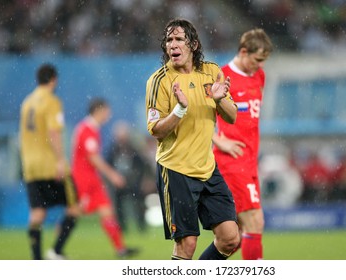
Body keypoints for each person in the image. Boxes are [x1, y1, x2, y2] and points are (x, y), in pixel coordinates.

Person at [145, 18, 240, 260]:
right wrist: (179, 110)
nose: (172, 45)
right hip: (176, 170)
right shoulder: (159, 81)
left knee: (230, 239)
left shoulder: (212, 72)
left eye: (178, 39)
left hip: (207, 169)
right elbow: (156, 130)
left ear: (193, 44)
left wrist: (220, 100)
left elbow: (231, 117)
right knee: (187, 244)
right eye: (168, 40)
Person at [212, 28, 273, 260]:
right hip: (232, 161)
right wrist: (218, 140)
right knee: (254, 222)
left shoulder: (259, 76)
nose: (259, 66)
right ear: (244, 51)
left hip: (250, 160)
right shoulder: (221, 76)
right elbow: (196, 117)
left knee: (232, 238)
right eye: (256, 60)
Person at [19, 63, 80, 260]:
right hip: (50, 164)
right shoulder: (52, 102)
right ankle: (56, 250)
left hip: (30, 166)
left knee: (37, 213)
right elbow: (54, 132)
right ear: (53, 79)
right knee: (74, 207)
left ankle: (36, 259)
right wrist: (61, 160)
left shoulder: (27, 103)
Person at [71, 97, 139, 258]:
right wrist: (113, 174)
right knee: (74, 212)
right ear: (99, 110)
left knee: (107, 211)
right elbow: (93, 158)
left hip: (92, 178)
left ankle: (120, 249)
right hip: (83, 179)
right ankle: (56, 249)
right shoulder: (87, 129)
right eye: (107, 111)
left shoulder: (92, 128)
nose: (109, 114)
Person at [106, 120, 150, 232]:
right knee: (119, 206)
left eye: (123, 136)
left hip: (133, 182)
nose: (121, 139)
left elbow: (142, 165)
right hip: (118, 183)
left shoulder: (133, 149)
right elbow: (108, 165)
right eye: (119, 136)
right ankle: (122, 228)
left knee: (139, 205)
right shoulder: (112, 150)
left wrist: (141, 180)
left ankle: (142, 227)